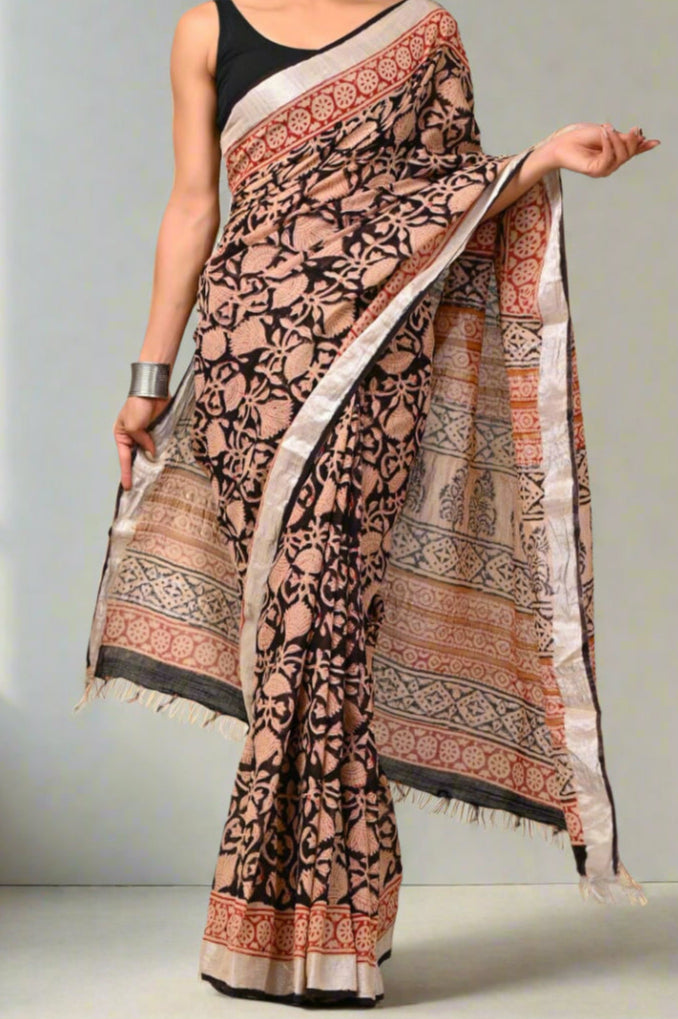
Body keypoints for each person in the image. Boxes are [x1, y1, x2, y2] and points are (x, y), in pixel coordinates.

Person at [76, 0, 658, 1007]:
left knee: (324, 627)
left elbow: (449, 202)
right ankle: (342, 905)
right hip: (247, 362)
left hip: (370, 364)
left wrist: (543, 159)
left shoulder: (422, 30)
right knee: (288, 638)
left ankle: (306, 926)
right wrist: (150, 378)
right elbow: (193, 207)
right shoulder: (206, 26)